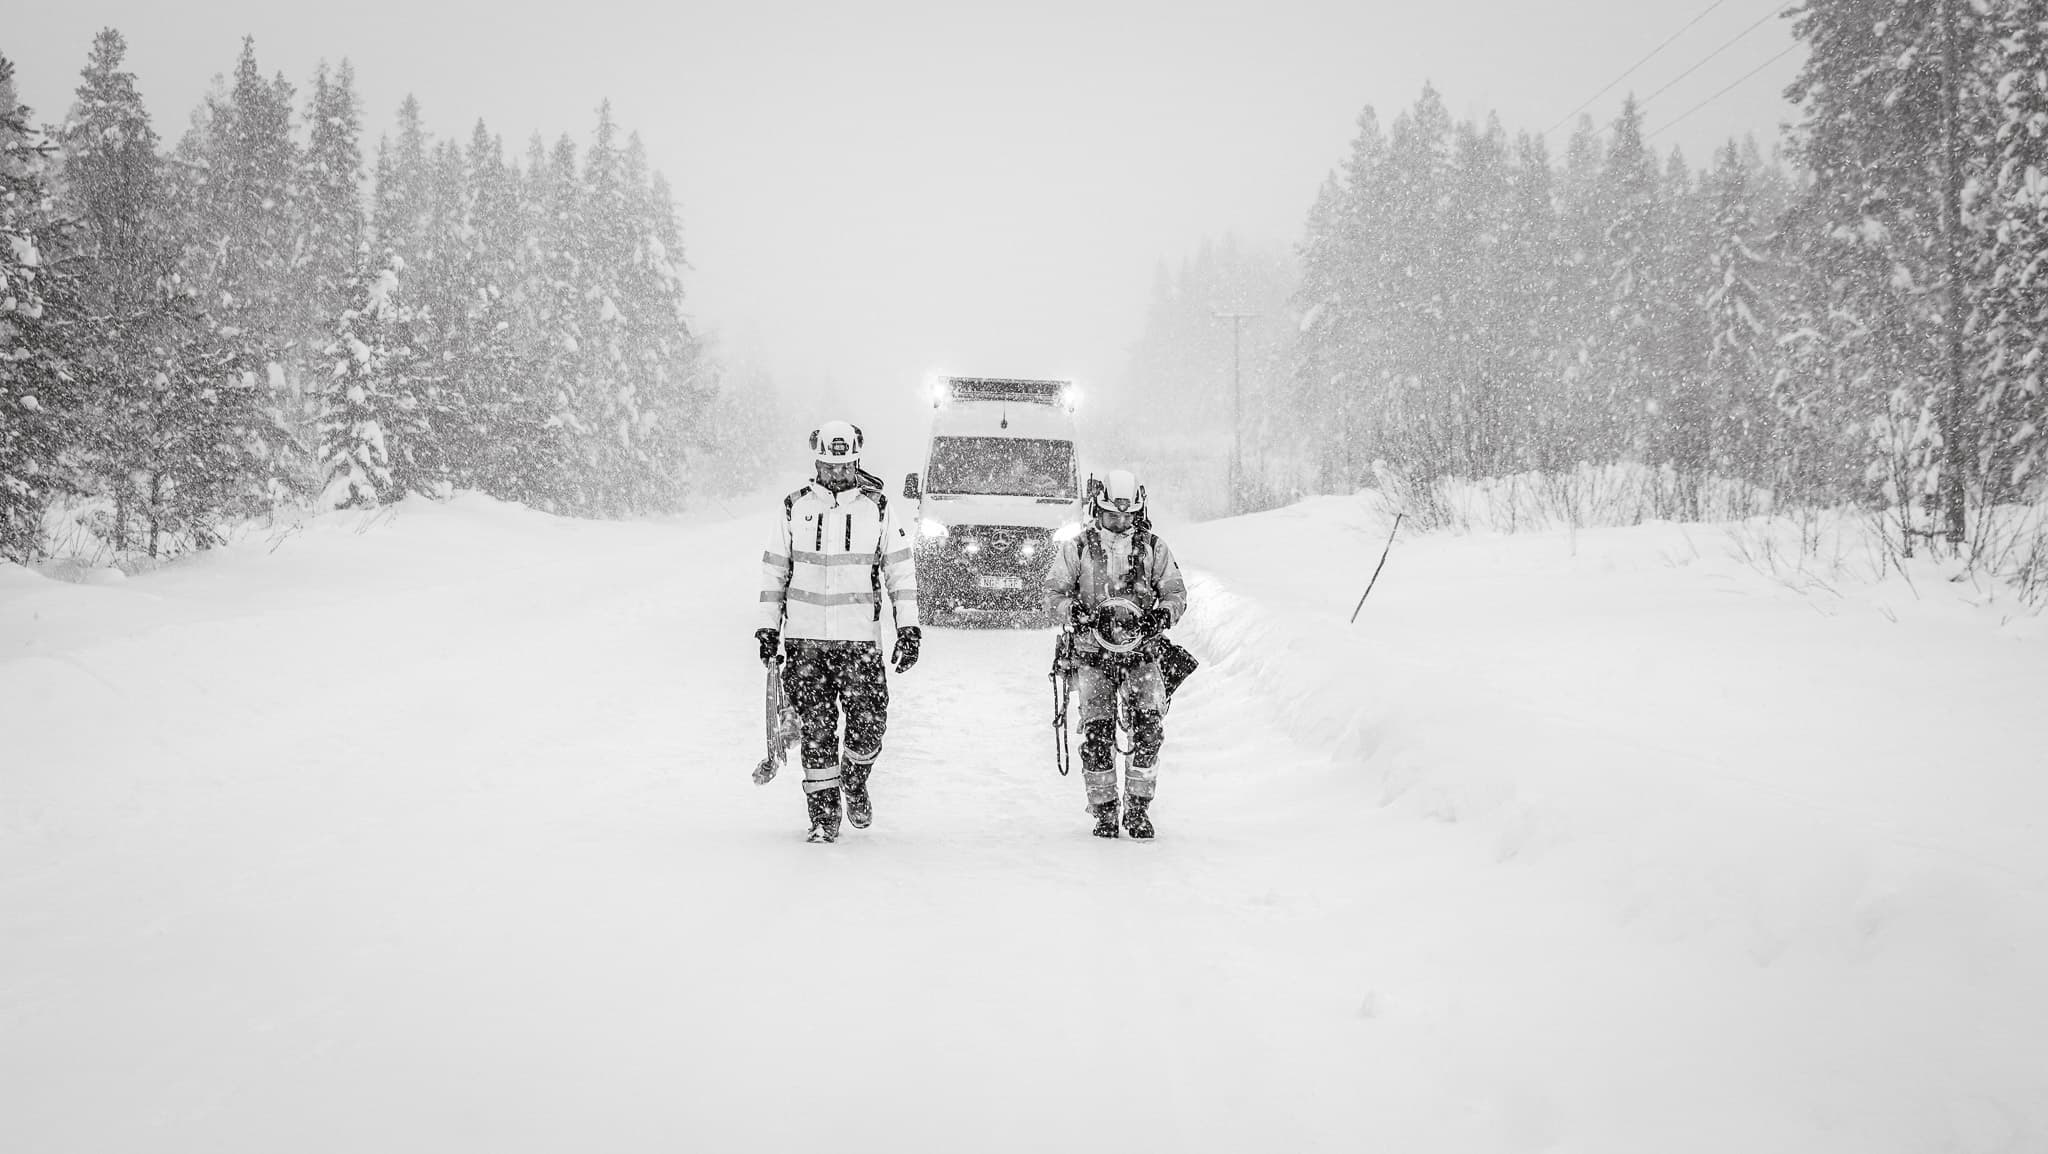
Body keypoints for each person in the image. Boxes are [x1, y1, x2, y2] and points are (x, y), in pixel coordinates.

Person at [756, 420, 922, 843]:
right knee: (816, 733)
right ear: (817, 463)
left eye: (845, 465)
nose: (837, 473)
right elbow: (775, 572)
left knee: (870, 726)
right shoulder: (794, 507)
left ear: (856, 462)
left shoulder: (878, 508)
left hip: (859, 642)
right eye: (830, 466)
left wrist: (909, 628)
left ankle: (854, 778)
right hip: (805, 643)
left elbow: (900, 573)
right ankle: (824, 817)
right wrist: (768, 628)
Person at [1042, 469, 1188, 839]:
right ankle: (1104, 812)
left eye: (1128, 517)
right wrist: (1073, 611)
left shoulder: (1154, 548)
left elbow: (1175, 593)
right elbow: (1053, 594)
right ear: (1098, 510)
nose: (1121, 523)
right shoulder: (1077, 547)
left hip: (1141, 656)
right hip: (1093, 656)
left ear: (1138, 511)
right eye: (1112, 516)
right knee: (1097, 735)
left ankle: (1137, 810)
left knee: (1148, 731)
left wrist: (1161, 616)